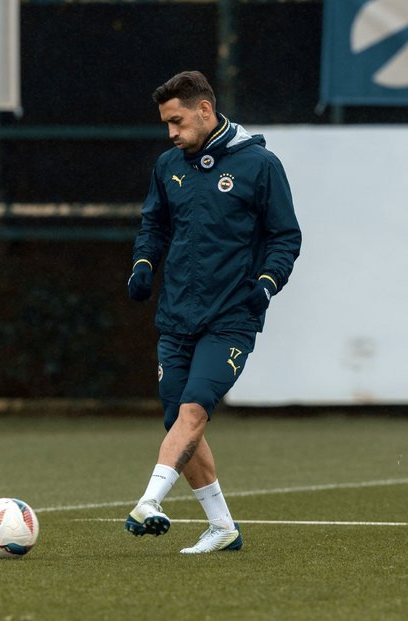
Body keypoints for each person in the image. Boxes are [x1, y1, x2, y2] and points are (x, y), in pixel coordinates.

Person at [125, 71, 301, 553]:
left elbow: (285, 236)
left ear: (205, 110)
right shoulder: (169, 166)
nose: (171, 133)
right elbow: (154, 226)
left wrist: (267, 282)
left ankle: (149, 501)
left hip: (232, 317)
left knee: (194, 409)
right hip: (177, 315)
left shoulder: (260, 165)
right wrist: (143, 263)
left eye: (177, 122)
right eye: (166, 124)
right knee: (177, 420)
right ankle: (223, 527)